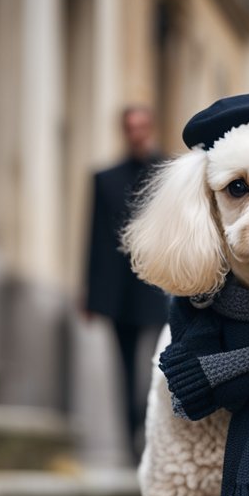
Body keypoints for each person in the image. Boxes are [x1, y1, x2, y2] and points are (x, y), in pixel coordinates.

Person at [83, 105, 168, 461]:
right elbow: (95, 240)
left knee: (157, 366)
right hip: (119, 292)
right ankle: (130, 442)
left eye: (142, 126)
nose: (137, 133)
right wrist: (90, 295)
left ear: (150, 129)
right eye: (130, 127)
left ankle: (153, 434)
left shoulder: (167, 174)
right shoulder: (105, 179)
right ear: (124, 131)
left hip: (158, 286)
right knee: (123, 368)